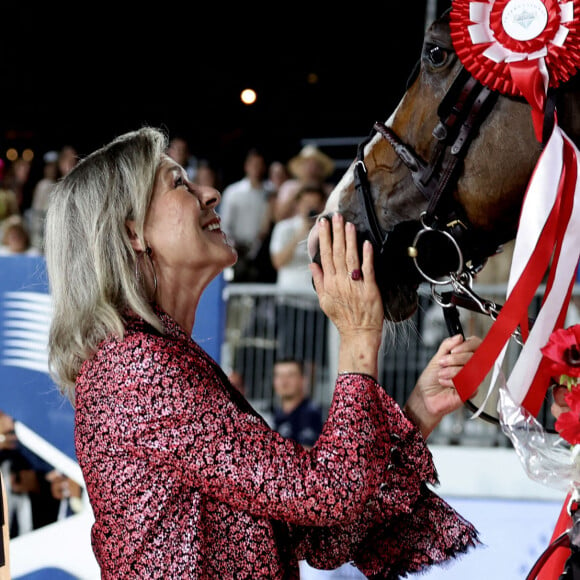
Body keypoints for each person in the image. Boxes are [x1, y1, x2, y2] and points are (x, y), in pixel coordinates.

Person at [45, 127, 481, 578]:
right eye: (180, 184)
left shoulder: (159, 359)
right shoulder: (135, 369)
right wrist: (356, 337)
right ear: (133, 233)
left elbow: (317, 532)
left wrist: (417, 413)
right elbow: (325, 493)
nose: (210, 193)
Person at [270, 185, 328, 365]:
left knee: (313, 358)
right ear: (297, 205)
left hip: (315, 303)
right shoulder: (283, 228)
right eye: (306, 203)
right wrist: (300, 233)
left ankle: (308, 393)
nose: (310, 208)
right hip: (289, 302)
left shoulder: (326, 231)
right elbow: (278, 261)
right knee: (288, 354)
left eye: (315, 204)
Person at [219, 148, 270, 282]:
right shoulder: (233, 192)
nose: (256, 169)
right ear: (246, 166)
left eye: (259, 165)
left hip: (260, 254)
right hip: (236, 252)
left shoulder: (269, 193)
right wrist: (233, 246)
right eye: (253, 164)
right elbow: (224, 224)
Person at [275, 145, 335, 221]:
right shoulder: (288, 186)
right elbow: (279, 216)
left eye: (315, 164)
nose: (311, 168)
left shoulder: (329, 189)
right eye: (307, 164)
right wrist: (299, 190)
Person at [272, 358, 323, 449]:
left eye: (290, 375)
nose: (284, 382)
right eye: (279, 376)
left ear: (303, 380)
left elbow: (306, 453)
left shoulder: (311, 413)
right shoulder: (272, 413)